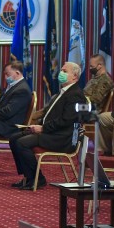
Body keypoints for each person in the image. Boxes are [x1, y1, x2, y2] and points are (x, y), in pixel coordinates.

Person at [8, 62, 86, 190]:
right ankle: (28, 177)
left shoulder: (75, 94)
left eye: (65, 71)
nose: (61, 73)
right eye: (61, 69)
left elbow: (66, 121)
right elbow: (49, 115)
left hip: (63, 137)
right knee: (13, 138)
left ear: (75, 77)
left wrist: (43, 128)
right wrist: (37, 126)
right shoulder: (64, 91)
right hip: (52, 132)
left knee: (22, 143)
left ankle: (37, 179)